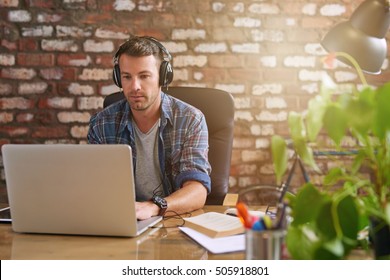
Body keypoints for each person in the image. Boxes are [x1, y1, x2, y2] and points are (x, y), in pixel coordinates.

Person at [87, 35, 211, 220]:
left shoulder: (191, 120)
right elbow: (95, 187)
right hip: (121, 220)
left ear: (163, 77)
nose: (134, 86)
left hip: (173, 220)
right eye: (127, 77)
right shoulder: (101, 124)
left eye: (144, 76)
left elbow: (197, 190)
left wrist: (154, 207)